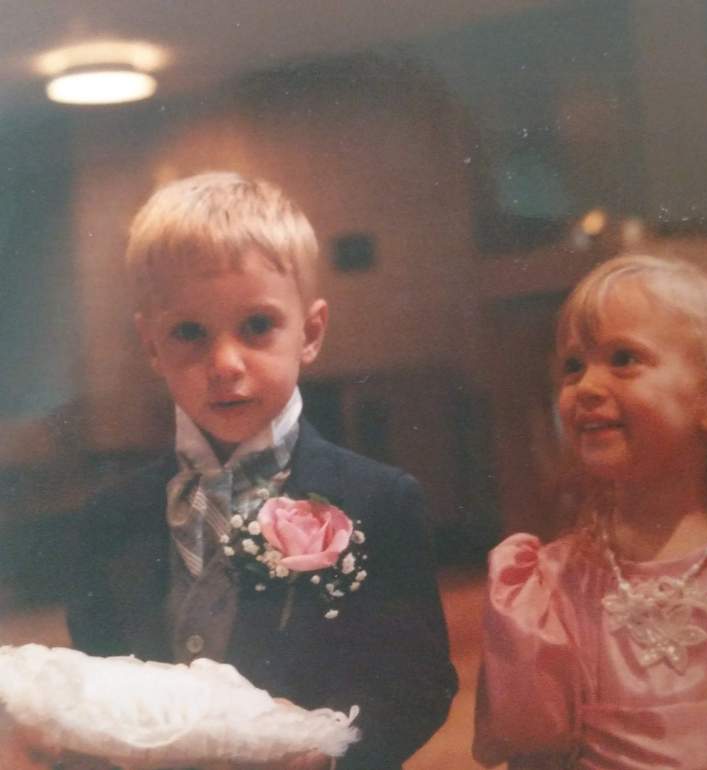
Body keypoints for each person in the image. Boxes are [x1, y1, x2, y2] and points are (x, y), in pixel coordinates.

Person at [64, 172, 457, 770]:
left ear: (311, 332)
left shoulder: (378, 500)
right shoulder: (108, 517)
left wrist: (330, 755)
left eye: (256, 326)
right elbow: (94, 693)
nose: (224, 363)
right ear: (151, 346)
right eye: (189, 333)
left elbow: (418, 682)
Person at [473, 253, 707, 769]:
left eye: (623, 359)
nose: (587, 387)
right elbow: (535, 756)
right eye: (573, 366)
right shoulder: (548, 588)